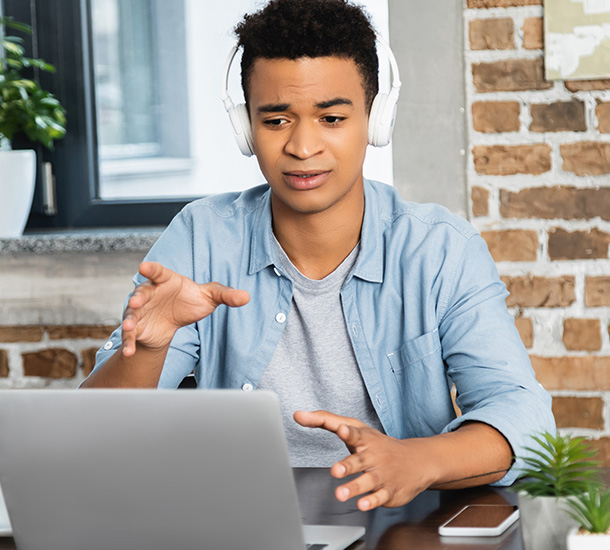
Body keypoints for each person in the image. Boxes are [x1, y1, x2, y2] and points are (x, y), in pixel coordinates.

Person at [82, 0, 555, 512]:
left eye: (331, 117)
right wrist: (150, 349)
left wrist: (420, 461)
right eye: (277, 120)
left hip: (397, 526)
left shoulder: (439, 249)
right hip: (237, 524)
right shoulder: (201, 237)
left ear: (376, 119)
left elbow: (524, 415)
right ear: (246, 130)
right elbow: (88, 441)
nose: (303, 147)